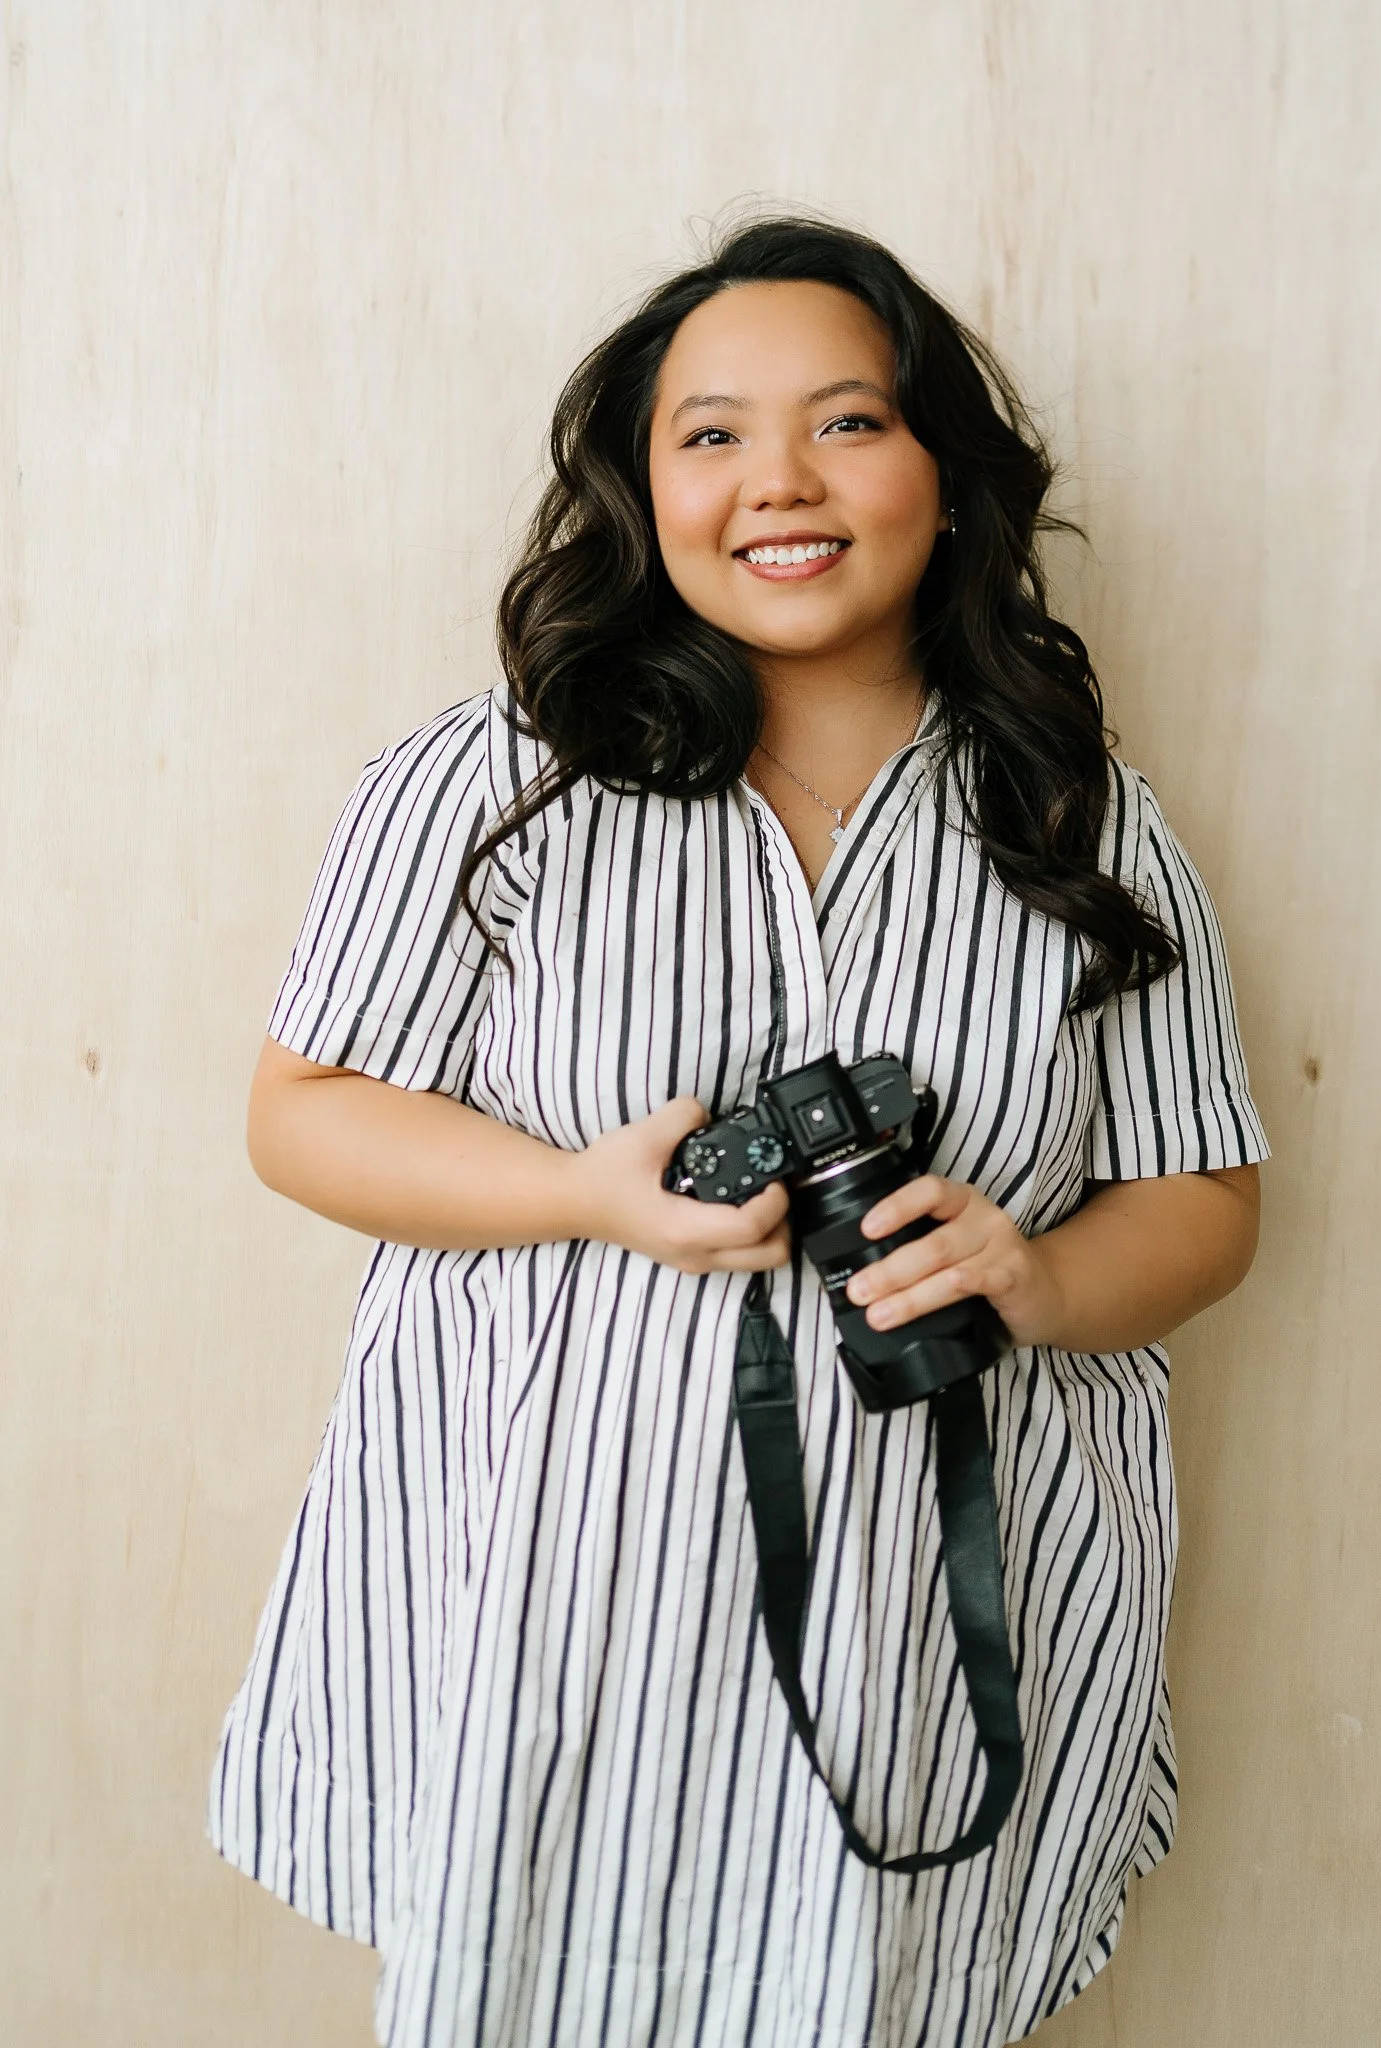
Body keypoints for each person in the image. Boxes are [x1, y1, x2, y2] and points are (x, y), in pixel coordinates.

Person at [207, 213, 1268, 2048]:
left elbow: (1207, 1197)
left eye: (848, 422)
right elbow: (302, 1116)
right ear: (641, 486)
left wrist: (1030, 1269)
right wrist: (577, 1192)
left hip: (927, 1608)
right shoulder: (501, 773)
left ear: (949, 472)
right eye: (710, 434)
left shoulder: (1070, 817)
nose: (779, 479)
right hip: (550, 1579)